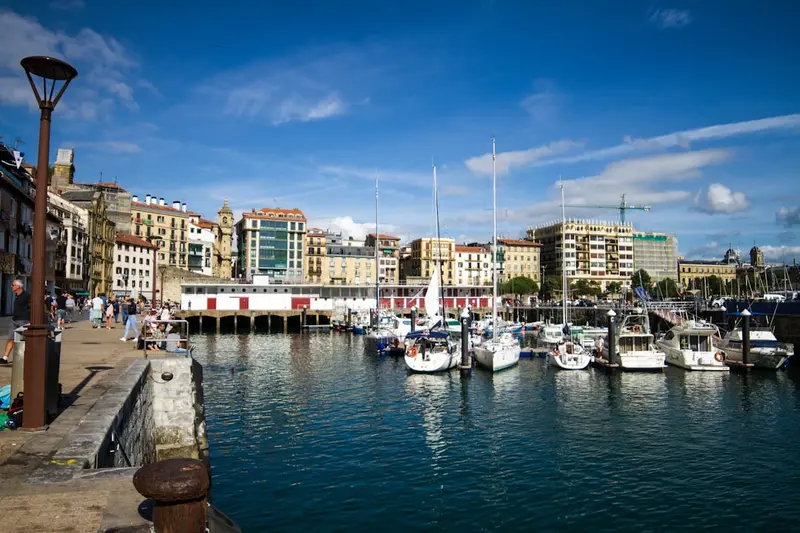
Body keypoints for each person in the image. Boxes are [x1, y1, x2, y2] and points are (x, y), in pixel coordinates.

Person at [2, 280, 30, 364]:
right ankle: (5, 358)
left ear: (18, 286)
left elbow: (32, 306)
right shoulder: (17, 295)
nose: (11, 286)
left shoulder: (26, 295)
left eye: (13, 285)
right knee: (11, 338)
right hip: (15, 320)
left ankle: (25, 358)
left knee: (23, 339)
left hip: (24, 320)